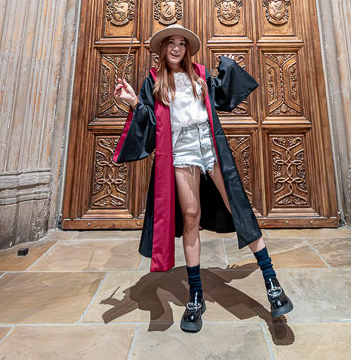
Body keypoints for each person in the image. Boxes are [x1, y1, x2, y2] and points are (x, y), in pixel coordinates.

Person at [112, 24, 293, 332]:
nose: (176, 48)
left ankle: (271, 280)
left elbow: (224, 97)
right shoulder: (154, 82)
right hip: (181, 155)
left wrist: (230, 66)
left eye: (181, 43)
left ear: (187, 49)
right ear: (163, 49)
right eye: (170, 43)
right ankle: (196, 294)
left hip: (210, 148)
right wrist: (132, 101)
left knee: (238, 207)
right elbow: (151, 122)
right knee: (191, 216)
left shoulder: (200, 75)